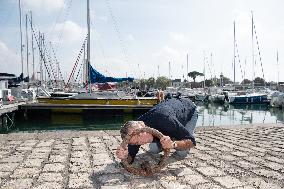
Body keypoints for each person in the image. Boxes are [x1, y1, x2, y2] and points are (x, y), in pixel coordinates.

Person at [116, 97, 198, 163]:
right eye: (137, 142)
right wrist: (124, 156)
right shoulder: (134, 134)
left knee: (181, 152)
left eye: (140, 134)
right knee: (154, 149)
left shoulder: (165, 120)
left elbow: (192, 142)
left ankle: (175, 136)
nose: (141, 140)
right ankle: (167, 141)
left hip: (189, 110)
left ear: (141, 124)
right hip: (168, 113)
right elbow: (130, 159)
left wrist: (173, 144)